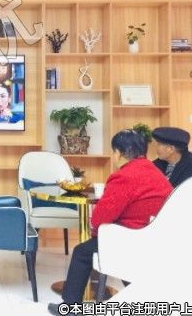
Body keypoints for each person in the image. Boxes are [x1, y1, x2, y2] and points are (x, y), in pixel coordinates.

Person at [48, 129, 172, 315]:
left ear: (119, 153)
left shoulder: (124, 176)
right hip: (154, 237)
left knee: (82, 252)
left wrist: (96, 232)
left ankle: (70, 308)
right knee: (124, 263)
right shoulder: (156, 172)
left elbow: (101, 217)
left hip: (130, 237)